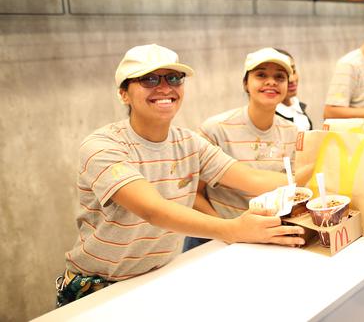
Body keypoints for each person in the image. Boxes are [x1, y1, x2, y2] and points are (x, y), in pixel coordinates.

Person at [58, 44, 311, 306]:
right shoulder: (102, 146)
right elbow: (154, 211)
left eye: (174, 78)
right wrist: (233, 229)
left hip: (161, 275)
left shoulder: (190, 142)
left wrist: (323, 166)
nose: (165, 87)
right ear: (124, 93)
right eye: (150, 79)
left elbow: (252, 179)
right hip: (99, 289)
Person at [184, 48, 300, 251]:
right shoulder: (216, 129)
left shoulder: (292, 132)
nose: (271, 81)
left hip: (268, 238)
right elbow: (193, 194)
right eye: (261, 75)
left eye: (279, 77)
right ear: (246, 83)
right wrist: (228, 230)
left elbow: (294, 190)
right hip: (217, 241)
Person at [275, 49, 313, 131]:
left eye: (293, 71)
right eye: (280, 75)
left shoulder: (296, 106)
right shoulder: (269, 117)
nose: (292, 79)